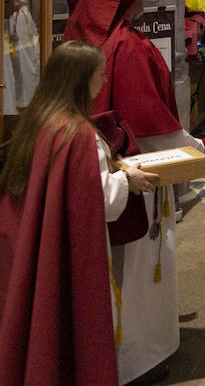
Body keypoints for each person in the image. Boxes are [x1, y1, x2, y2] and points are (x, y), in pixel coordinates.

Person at [63, 0, 202, 384]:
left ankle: (104, 352)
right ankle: (139, 357)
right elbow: (151, 123)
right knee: (138, 269)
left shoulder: (74, 42)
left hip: (88, 176)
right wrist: (191, 152)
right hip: (132, 176)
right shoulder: (128, 46)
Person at [0, 41, 160, 386]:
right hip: (70, 247)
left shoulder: (42, 119)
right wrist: (128, 179)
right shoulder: (75, 132)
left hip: (34, 237)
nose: (104, 81)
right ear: (80, 79)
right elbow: (95, 199)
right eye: (99, 74)